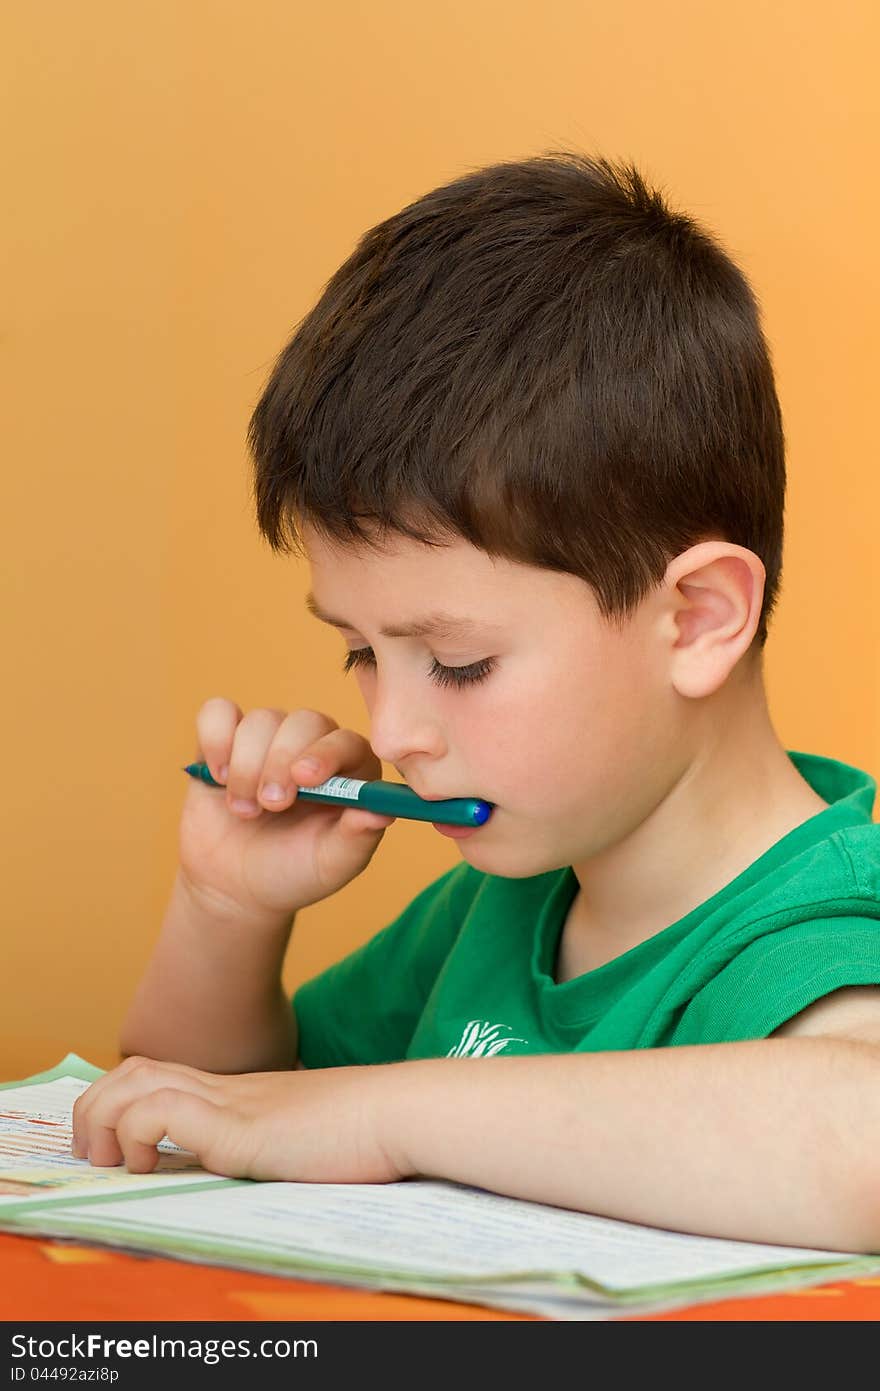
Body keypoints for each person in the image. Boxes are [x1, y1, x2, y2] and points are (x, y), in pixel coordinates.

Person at [72, 152, 880, 1252]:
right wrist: (226, 912)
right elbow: (203, 1119)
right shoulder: (506, 897)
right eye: (360, 649)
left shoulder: (821, 924)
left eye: (456, 663)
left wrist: (384, 1109)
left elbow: (858, 1137)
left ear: (694, 617)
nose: (397, 731)